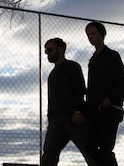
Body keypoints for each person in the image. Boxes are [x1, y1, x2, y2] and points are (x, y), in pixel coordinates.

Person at [41, 37, 92, 166]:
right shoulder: (52, 75)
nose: (48, 53)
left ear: (61, 49)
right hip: (56, 121)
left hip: (73, 118)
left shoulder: (72, 67)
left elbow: (79, 91)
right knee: (48, 156)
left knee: (90, 152)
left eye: (50, 49)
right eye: (46, 51)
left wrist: (77, 112)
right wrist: (51, 120)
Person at [84, 21, 124, 166]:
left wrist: (111, 99)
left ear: (102, 34)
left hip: (109, 110)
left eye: (93, 34)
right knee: (89, 147)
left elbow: (123, 81)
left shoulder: (111, 56)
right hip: (95, 111)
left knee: (105, 149)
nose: (91, 37)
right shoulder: (92, 60)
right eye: (88, 35)